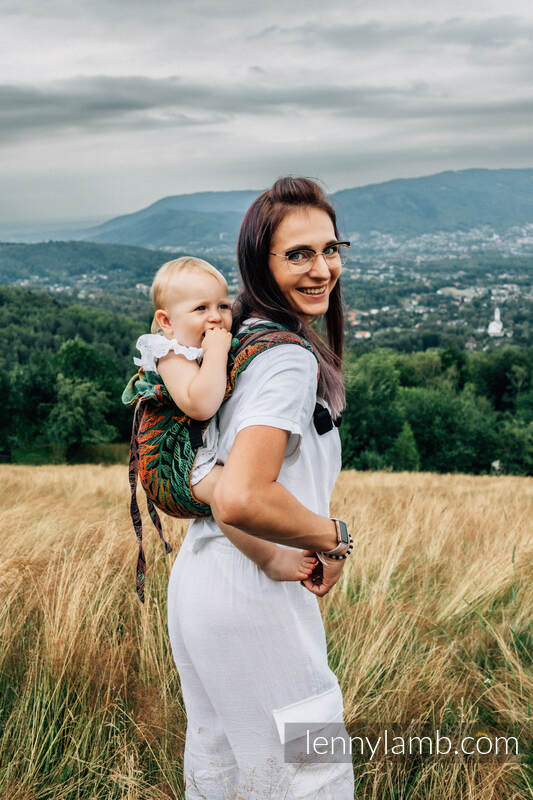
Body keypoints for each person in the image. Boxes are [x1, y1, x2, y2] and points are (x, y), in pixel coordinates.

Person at [166, 178, 355, 799]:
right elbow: (244, 495)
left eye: (330, 249)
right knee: (311, 777)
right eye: (297, 254)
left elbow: (205, 468)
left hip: (200, 585)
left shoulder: (234, 344)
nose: (321, 268)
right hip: (254, 590)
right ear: (258, 262)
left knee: (222, 772)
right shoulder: (285, 359)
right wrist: (333, 538)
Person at [133, 256, 319, 582]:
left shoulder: (196, 345)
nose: (216, 317)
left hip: (197, 450)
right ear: (167, 321)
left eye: (222, 305)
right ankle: (269, 559)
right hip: (177, 460)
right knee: (225, 492)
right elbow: (201, 406)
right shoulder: (170, 354)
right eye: (200, 309)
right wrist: (218, 352)